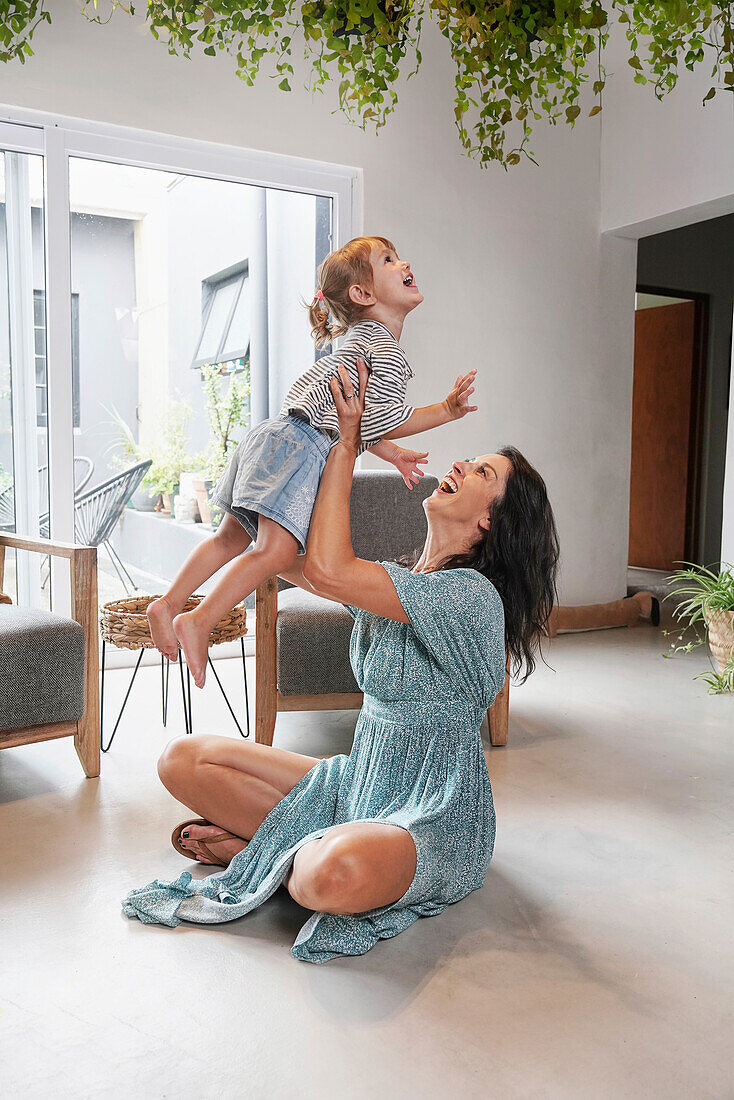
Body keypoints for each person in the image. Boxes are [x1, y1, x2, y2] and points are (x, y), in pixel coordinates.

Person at [123, 359, 560, 964]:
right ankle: (281, 846)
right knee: (181, 761)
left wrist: (348, 445)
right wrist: (293, 457)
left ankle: (264, 851)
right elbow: (296, 560)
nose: (458, 464)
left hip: (430, 814)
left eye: (481, 470)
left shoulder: (470, 598)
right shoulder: (401, 581)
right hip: (359, 782)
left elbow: (328, 569)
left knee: (328, 878)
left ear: (490, 520)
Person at [147, 235, 478, 688]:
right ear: (362, 294)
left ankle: (169, 603)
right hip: (303, 446)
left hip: (274, 436)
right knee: (277, 551)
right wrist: (446, 409)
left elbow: (356, 422)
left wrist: (393, 454)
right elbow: (385, 418)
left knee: (230, 538)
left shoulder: (359, 340)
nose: (404, 262)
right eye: (388, 260)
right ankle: (200, 619)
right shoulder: (383, 347)